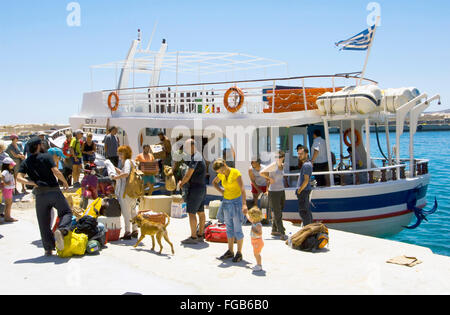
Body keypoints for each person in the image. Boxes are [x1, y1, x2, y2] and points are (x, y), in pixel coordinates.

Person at [16, 137, 72, 257]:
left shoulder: (26, 161)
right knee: (66, 212)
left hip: (40, 194)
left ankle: (48, 249)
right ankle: (62, 230)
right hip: (54, 191)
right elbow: (56, 171)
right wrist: (65, 182)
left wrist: (32, 183)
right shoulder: (46, 156)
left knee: (44, 222)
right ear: (38, 146)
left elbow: (19, 178)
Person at [212, 158, 248, 262]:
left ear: (225, 164)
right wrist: (221, 191)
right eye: (219, 172)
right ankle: (230, 251)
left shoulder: (235, 172)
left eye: (222, 170)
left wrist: (244, 204)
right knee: (229, 227)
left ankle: (239, 253)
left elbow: (242, 189)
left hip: (237, 202)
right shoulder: (221, 174)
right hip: (226, 202)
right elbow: (214, 183)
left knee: (238, 228)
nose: (222, 173)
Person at [178, 139, 207, 244]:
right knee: (200, 212)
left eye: (186, 147)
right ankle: (200, 234)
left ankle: (193, 237)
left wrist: (181, 183)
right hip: (202, 188)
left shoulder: (196, 157)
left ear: (192, 146)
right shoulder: (197, 156)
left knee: (191, 213)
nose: (185, 149)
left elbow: (189, 174)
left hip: (196, 189)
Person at [112, 145, 138, 240]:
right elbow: (125, 172)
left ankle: (127, 232)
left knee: (126, 212)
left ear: (125, 154)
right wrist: (115, 169)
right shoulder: (132, 162)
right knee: (133, 211)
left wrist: (116, 178)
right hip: (133, 191)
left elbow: (126, 174)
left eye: (121, 152)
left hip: (125, 191)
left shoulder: (127, 161)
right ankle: (135, 230)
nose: (119, 154)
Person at [260, 151, 288, 241]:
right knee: (277, 212)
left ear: (283, 157)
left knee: (281, 209)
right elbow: (261, 172)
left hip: (281, 190)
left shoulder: (282, 165)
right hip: (274, 192)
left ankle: (274, 229)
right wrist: (269, 178)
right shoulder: (273, 165)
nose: (278, 158)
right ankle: (282, 232)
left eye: (279, 156)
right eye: (276, 157)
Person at [296, 145, 314, 226]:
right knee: (306, 211)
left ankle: (307, 229)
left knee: (303, 212)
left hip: (303, 191)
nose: (299, 155)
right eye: (298, 154)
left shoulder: (306, 165)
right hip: (305, 190)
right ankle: (309, 228)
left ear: (306, 154)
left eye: (301, 154)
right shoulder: (307, 164)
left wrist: (299, 190)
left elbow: (306, 180)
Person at [246, 207, 264, 272]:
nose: (250, 218)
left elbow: (260, 233)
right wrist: (246, 213)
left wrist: (254, 231)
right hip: (254, 241)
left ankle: (259, 265)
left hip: (258, 242)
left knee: (257, 254)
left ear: (254, 217)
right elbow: (248, 217)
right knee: (255, 253)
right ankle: (258, 264)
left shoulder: (258, 225)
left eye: (251, 216)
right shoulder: (254, 222)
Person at [1, 158, 18, 222]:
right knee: (8, 203)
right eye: (11, 165)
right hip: (7, 189)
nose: (13, 166)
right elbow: (1, 176)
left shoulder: (9, 171)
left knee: (9, 203)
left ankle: (7, 216)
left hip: (9, 189)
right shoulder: (5, 171)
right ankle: (8, 217)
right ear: (7, 165)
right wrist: (5, 183)